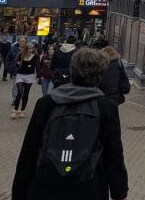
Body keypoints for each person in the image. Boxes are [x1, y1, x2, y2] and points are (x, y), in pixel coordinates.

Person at [12, 48, 128, 200]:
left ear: (72, 71)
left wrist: (19, 190)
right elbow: (113, 153)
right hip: (89, 186)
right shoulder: (106, 107)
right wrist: (119, 191)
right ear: (100, 75)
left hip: (47, 185)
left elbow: (29, 149)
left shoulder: (47, 103)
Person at [12, 42, 38, 119]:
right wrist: (23, 65)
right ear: (26, 49)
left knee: (26, 93)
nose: (30, 50)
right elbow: (17, 64)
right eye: (29, 49)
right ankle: (15, 110)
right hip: (20, 75)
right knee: (20, 92)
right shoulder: (21, 54)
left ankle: (22, 110)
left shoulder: (35, 56)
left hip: (29, 76)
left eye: (31, 49)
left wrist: (24, 65)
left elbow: (32, 67)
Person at [6, 35, 27, 104]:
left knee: (22, 87)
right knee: (15, 86)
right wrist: (10, 68)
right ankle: (15, 99)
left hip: (26, 72)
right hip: (16, 71)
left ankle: (19, 97)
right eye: (20, 41)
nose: (22, 42)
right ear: (18, 41)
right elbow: (8, 59)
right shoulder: (13, 49)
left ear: (26, 42)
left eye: (23, 41)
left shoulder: (28, 49)